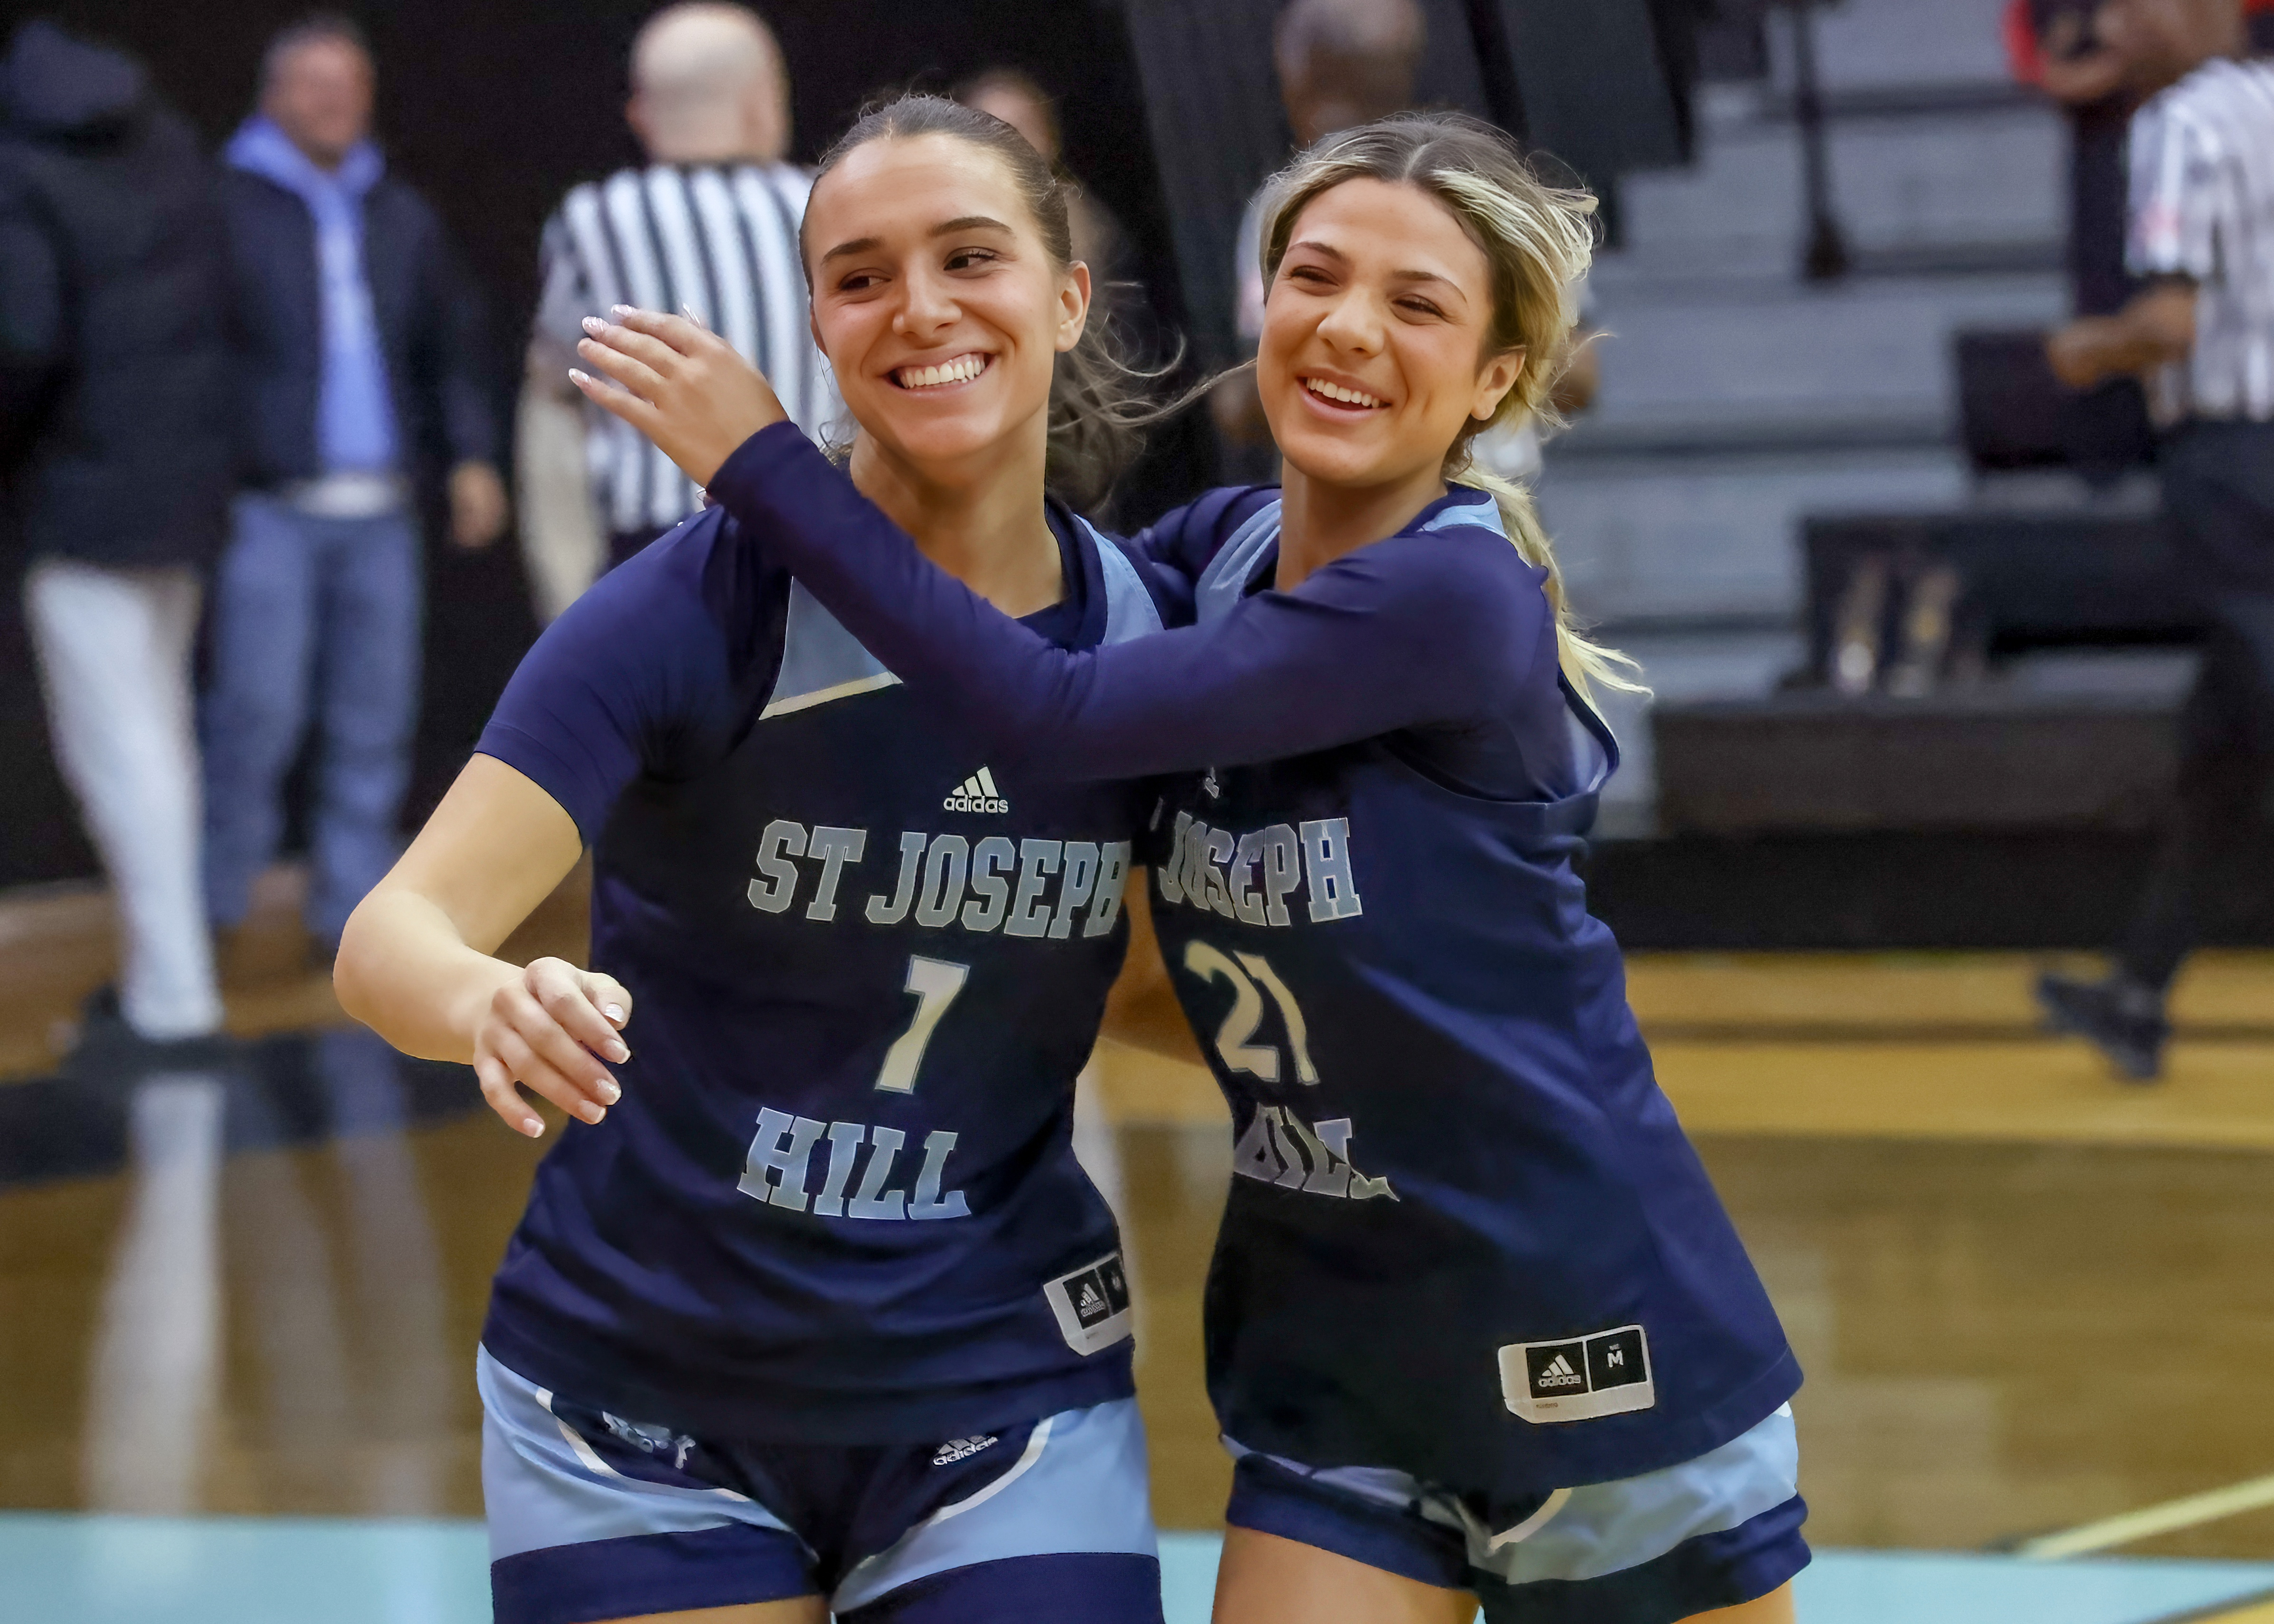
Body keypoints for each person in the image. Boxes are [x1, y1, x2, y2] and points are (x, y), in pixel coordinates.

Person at [580, 109, 1807, 1624]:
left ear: (1498, 378)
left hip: (1577, 1320)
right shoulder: (1207, 564)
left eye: (1416, 303)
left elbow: (1046, 708)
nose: (1347, 326)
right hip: (1334, 1338)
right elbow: (1004, 618)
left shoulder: (1456, 597)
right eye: (1314, 274)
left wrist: (770, 467)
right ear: (1260, 300)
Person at [336, 95, 1178, 1624]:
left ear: (1065, 296)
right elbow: (392, 930)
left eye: (967, 256)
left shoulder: (1147, 631)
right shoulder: (695, 609)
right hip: (643, 1390)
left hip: (998, 1375)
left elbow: (1143, 975)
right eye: (860, 276)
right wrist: (485, 1003)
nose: (918, 307)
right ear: (816, 325)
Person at [203, 14, 505, 965]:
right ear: (273, 93)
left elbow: (448, 349)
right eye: (315, 84)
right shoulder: (222, 204)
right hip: (268, 508)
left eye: (352, 86)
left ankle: (349, 915)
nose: (336, 103)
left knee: (373, 721)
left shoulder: (398, 211)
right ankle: (207, 907)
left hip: (381, 512)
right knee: (256, 714)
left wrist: (471, 455)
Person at [2038, 0, 2274, 1082]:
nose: (2108, 27)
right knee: (2220, 745)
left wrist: (2087, 350)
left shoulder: (2173, 127)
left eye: (2128, 6)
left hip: (2228, 462)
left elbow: (2167, 325)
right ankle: (2137, 990)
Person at [0, 21, 233, 1063]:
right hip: (182, 488)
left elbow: (22, 338)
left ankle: (174, 1004)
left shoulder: (20, 162)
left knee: (119, 755)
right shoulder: (171, 138)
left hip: (79, 498)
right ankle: (165, 982)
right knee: (161, 744)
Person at [518, 3, 835, 623]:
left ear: (644, 112)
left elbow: (554, 379)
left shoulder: (595, 217)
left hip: (658, 547)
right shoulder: (825, 206)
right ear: (758, 101)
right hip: (819, 539)